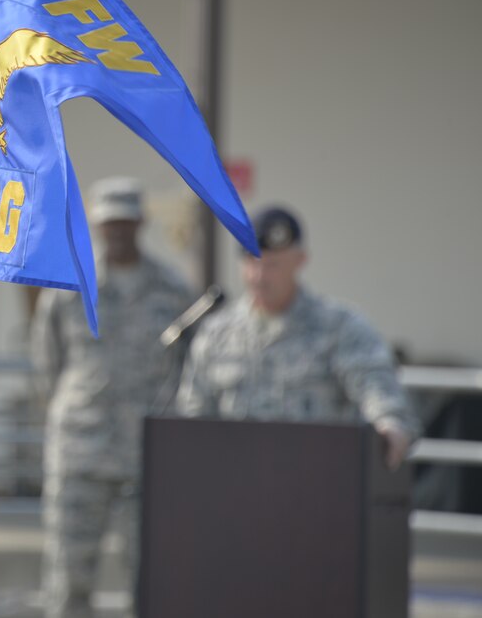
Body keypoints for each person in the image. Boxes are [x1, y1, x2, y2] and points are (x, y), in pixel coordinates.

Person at [32, 177, 194, 618]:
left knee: (151, 585)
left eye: (126, 221)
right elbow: (49, 367)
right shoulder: (68, 287)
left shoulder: (173, 290)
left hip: (147, 459)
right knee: (68, 584)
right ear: (97, 225)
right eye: (109, 222)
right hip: (81, 456)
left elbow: (187, 368)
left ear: (141, 222)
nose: (118, 230)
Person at [175, 205, 417, 469]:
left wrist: (388, 423)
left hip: (314, 484)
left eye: (272, 265)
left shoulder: (338, 327)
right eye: (251, 263)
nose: (259, 276)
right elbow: (193, 415)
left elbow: (375, 384)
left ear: (300, 260)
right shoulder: (216, 335)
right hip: (236, 485)